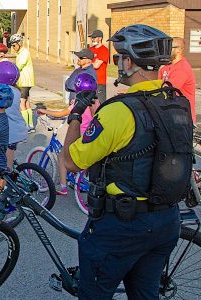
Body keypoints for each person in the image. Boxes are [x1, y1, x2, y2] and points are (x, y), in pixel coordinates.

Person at [61, 24, 191, 299]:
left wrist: (76, 116)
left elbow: (72, 162)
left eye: (120, 58)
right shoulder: (176, 103)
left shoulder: (120, 111)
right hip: (166, 220)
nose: (118, 64)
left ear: (130, 61)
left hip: (121, 227)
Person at [38, 73, 97, 195]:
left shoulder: (78, 103)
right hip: (89, 135)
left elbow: (62, 114)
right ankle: (79, 177)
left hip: (77, 134)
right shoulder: (95, 102)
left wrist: (44, 110)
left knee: (62, 156)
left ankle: (63, 187)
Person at [158, 37, 196, 123]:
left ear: (179, 50)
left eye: (169, 48)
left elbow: (166, 90)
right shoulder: (165, 67)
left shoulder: (182, 68)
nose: (165, 51)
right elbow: (156, 85)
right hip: (170, 111)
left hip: (182, 116)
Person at [10, 33, 35, 133]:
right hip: (24, 81)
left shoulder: (24, 52)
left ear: (19, 43)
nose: (13, 47)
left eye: (14, 45)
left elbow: (19, 66)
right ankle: (31, 125)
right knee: (27, 103)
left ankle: (25, 126)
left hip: (25, 81)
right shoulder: (20, 53)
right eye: (12, 45)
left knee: (22, 103)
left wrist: (12, 71)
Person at [89, 29, 109, 104]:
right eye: (92, 37)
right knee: (90, 104)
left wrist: (89, 62)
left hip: (99, 82)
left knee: (100, 103)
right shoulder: (90, 49)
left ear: (100, 38)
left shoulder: (104, 50)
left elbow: (96, 65)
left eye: (94, 37)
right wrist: (92, 62)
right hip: (89, 81)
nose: (92, 39)